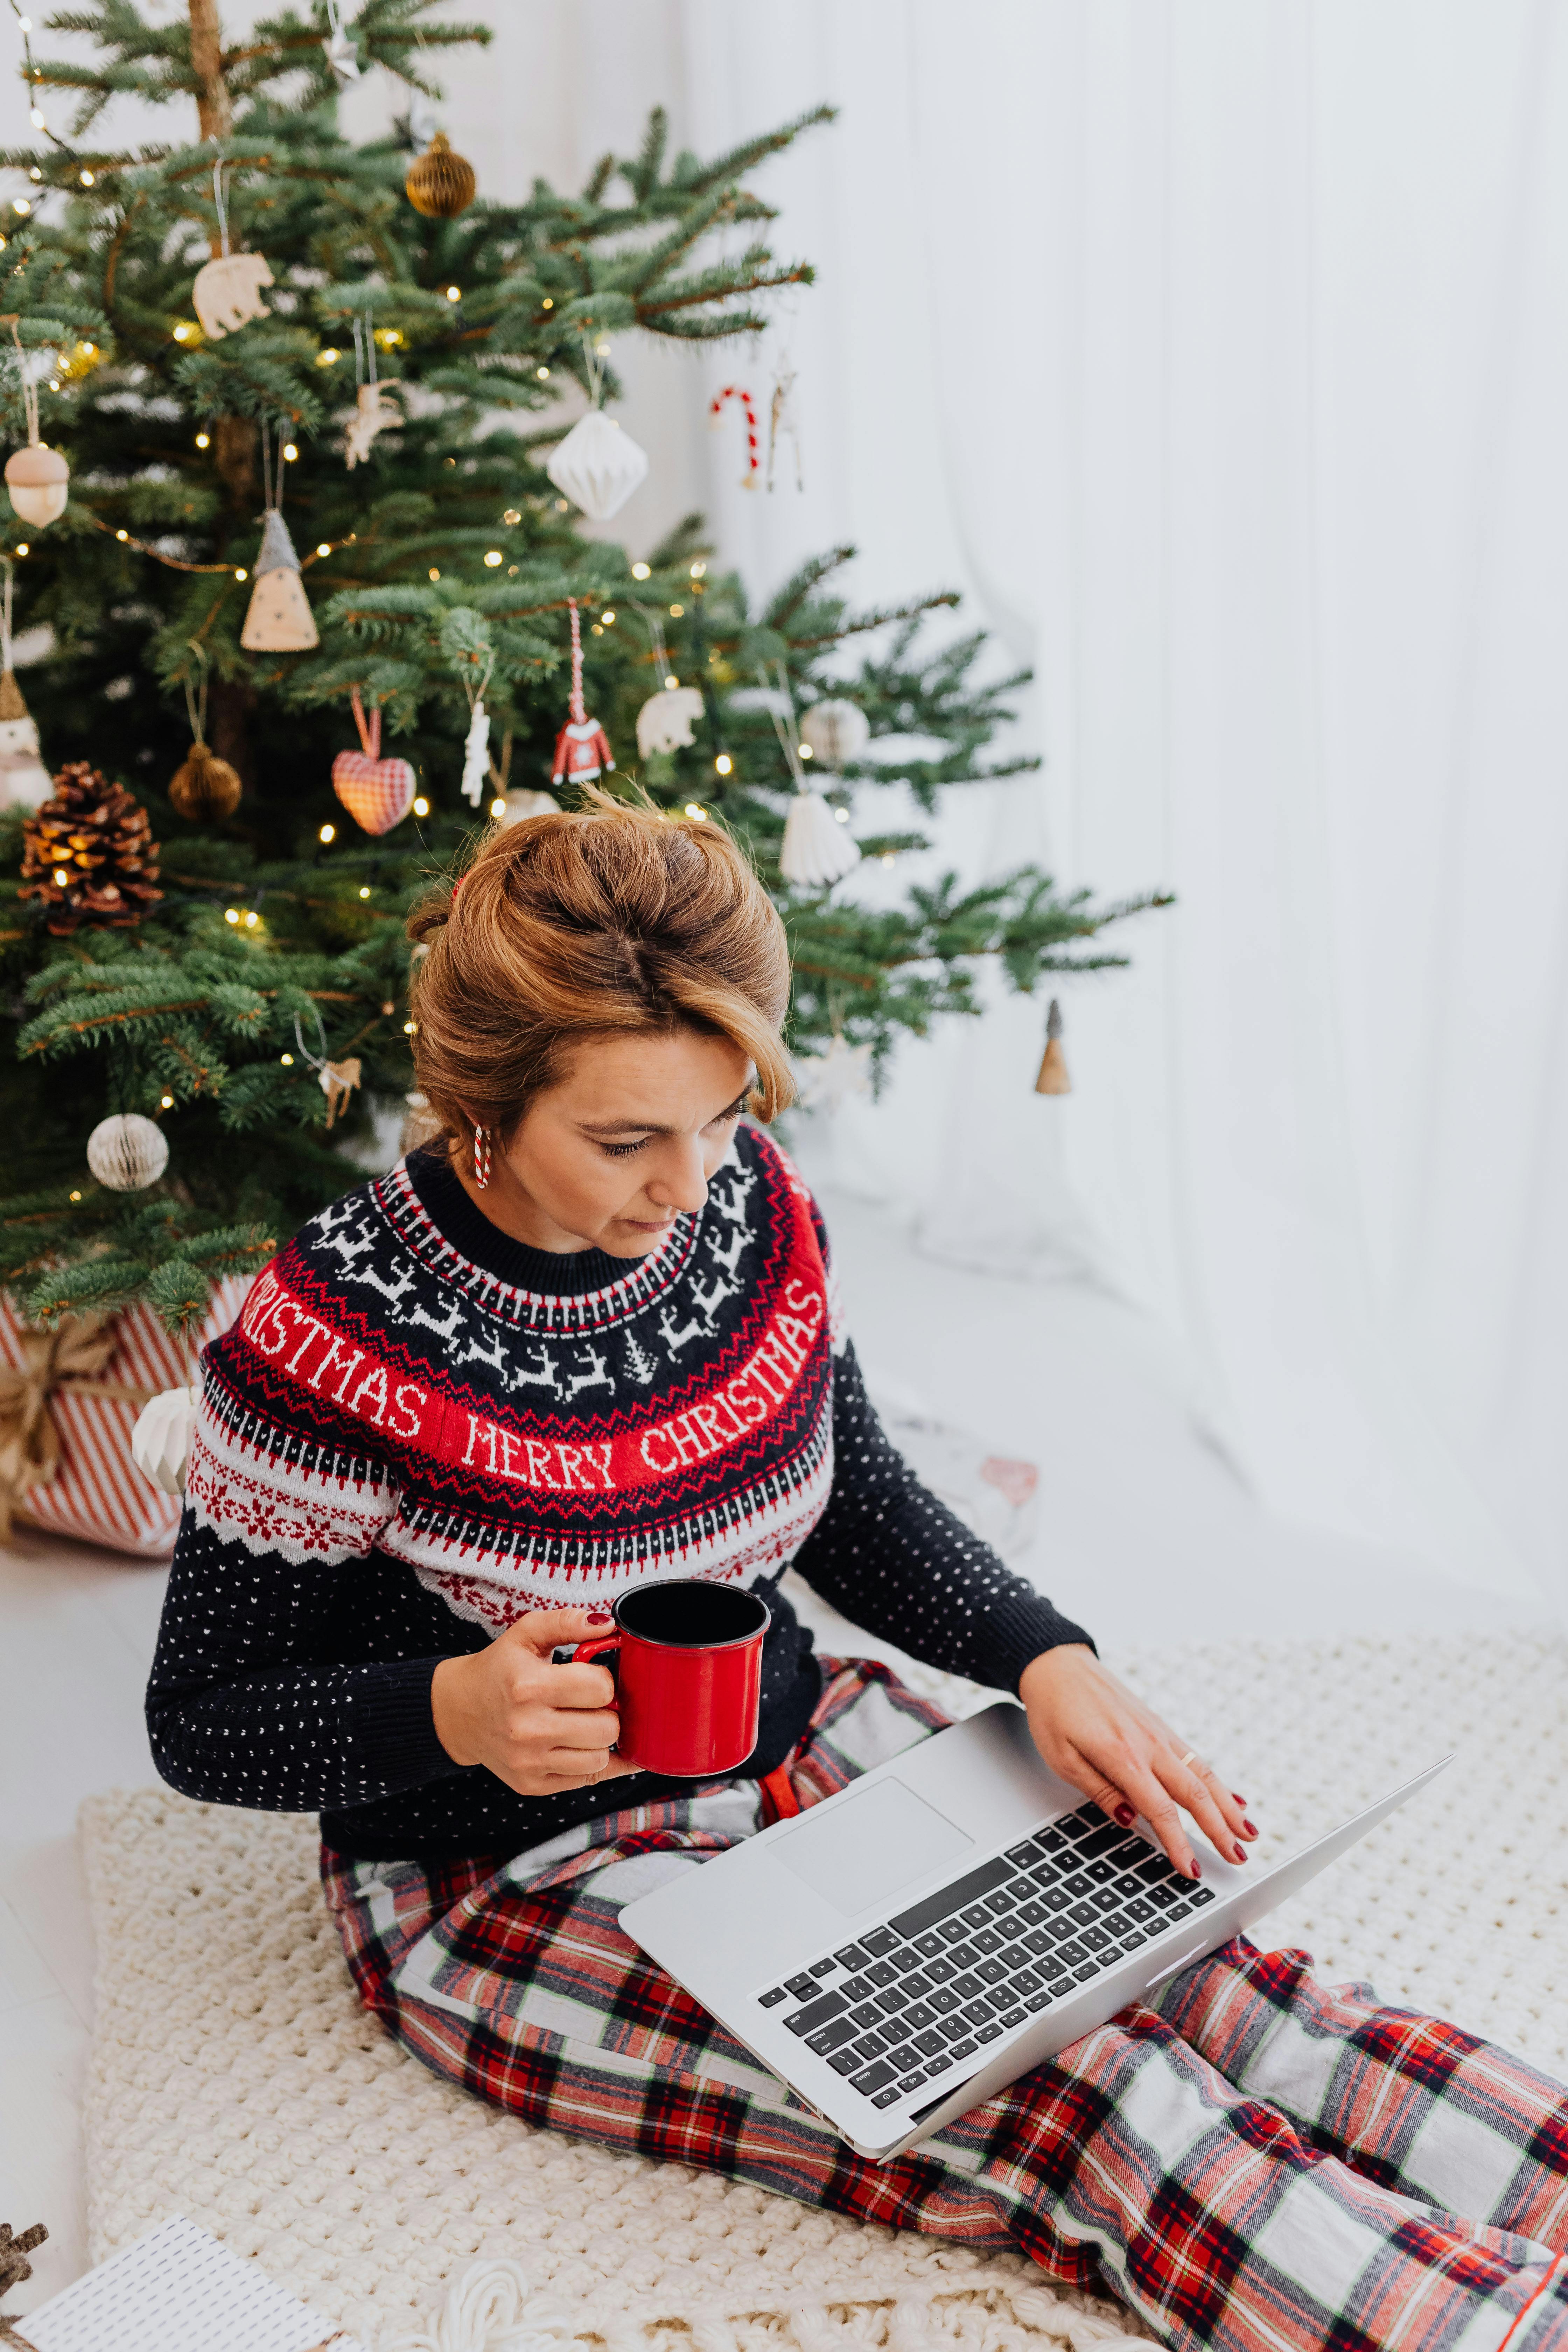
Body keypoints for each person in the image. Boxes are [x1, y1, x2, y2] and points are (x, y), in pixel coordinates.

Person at [147, 799, 1568, 2352]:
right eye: (624, 1142)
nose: (690, 1184)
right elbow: (200, 1719)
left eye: (718, 1116)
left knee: (1212, 1976)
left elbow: (849, 1492)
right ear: (481, 1102)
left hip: (800, 1741)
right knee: (1074, 2096)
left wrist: (1043, 1657)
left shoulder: (754, 1206)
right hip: (499, 1874)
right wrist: (454, 1713)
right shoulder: (327, 1330)